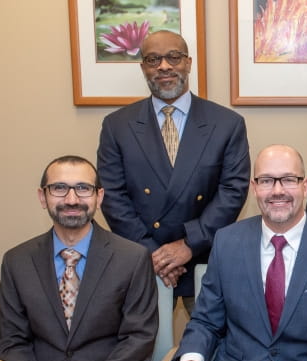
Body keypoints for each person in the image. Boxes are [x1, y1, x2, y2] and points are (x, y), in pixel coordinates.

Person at [169, 145, 307, 361]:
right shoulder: (227, 243)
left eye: (288, 179)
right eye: (266, 180)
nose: (277, 191)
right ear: (254, 188)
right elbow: (205, 322)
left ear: (304, 186)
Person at [97, 30, 250, 314]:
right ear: (143, 67)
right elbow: (111, 195)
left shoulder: (227, 123)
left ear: (188, 63)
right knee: (143, 352)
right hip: (143, 261)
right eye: (153, 59)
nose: (164, 66)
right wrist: (153, 254)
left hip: (204, 257)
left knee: (210, 351)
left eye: (173, 57)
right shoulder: (116, 126)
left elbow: (232, 191)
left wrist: (188, 245)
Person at [0, 155, 158, 361]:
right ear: (42, 197)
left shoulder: (133, 258)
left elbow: (138, 340)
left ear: (99, 197)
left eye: (83, 188)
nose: (72, 199)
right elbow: (12, 342)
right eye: (59, 188)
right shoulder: (17, 262)